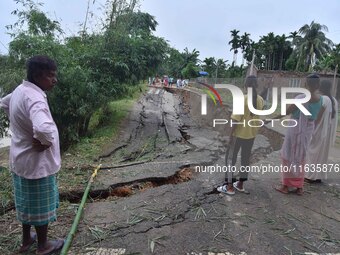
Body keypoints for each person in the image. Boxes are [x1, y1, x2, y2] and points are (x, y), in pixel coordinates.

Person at [0, 55, 64, 254]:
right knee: (40, 207)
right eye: (51, 76)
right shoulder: (35, 97)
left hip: (20, 160)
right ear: (38, 75)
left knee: (26, 203)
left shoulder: (21, 90)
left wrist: (22, 127)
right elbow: (44, 128)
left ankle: (26, 240)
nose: (55, 80)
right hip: (37, 164)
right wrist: (44, 141)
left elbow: (3, 103)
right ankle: (43, 246)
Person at [274, 74, 324, 195]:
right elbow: (318, 117)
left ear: (306, 84)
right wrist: (310, 128)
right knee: (301, 156)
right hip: (308, 129)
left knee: (288, 155)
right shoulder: (321, 99)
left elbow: (286, 111)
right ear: (318, 85)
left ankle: (285, 186)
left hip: (295, 128)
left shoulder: (301, 98)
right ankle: (299, 187)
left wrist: (272, 118)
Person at [217, 75, 264, 195]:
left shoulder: (242, 99)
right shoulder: (260, 100)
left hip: (239, 135)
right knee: (245, 160)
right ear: (256, 86)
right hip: (251, 135)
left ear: (245, 85)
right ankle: (240, 184)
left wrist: (230, 135)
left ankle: (229, 187)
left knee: (230, 159)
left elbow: (235, 120)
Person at [305, 80, 338, 183]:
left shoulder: (323, 99)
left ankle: (310, 176)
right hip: (327, 131)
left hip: (319, 130)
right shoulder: (334, 100)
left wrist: (312, 127)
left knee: (312, 152)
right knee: (322, 154)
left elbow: (318, 115)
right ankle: (318, 176)